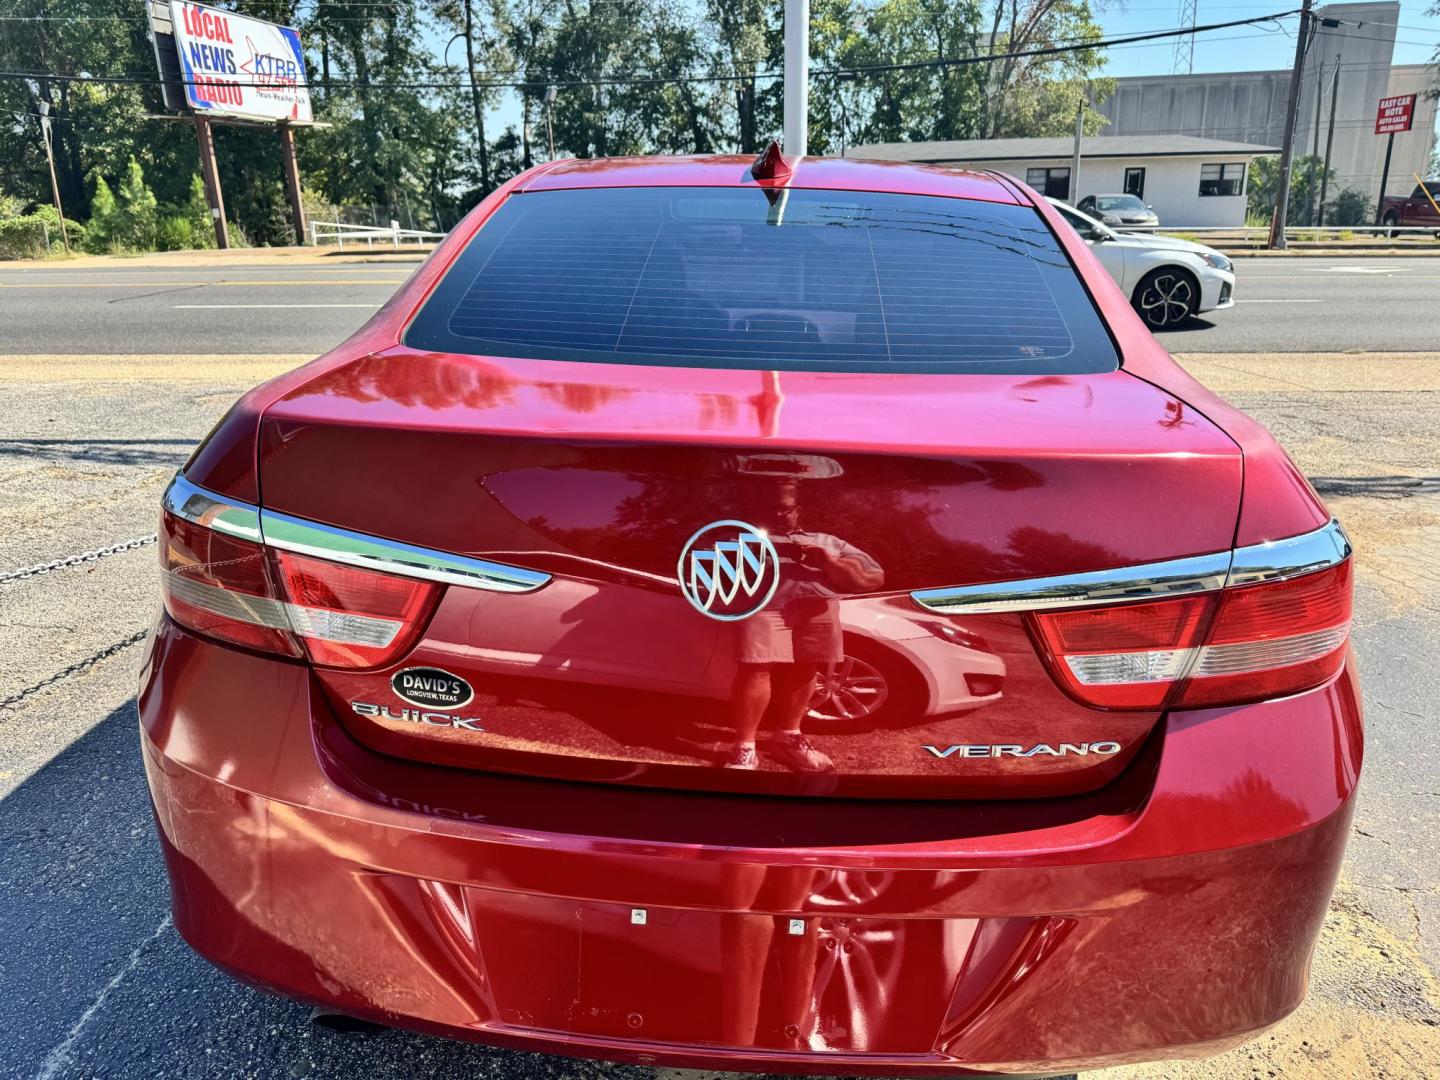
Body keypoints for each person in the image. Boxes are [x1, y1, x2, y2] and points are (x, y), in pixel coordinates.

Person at [725, 480, 884, 772]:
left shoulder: (827, 541)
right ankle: (744, 747)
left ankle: (788, 737)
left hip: (817, 608)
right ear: (759, 511)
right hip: (764, 606)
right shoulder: (741, 538)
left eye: (786, 509)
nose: (779, 514)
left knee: (807, 666)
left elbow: (873, 579)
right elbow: (715, 575)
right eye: (771, 509)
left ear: (798, 511)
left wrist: (829, 562)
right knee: (755, 668)